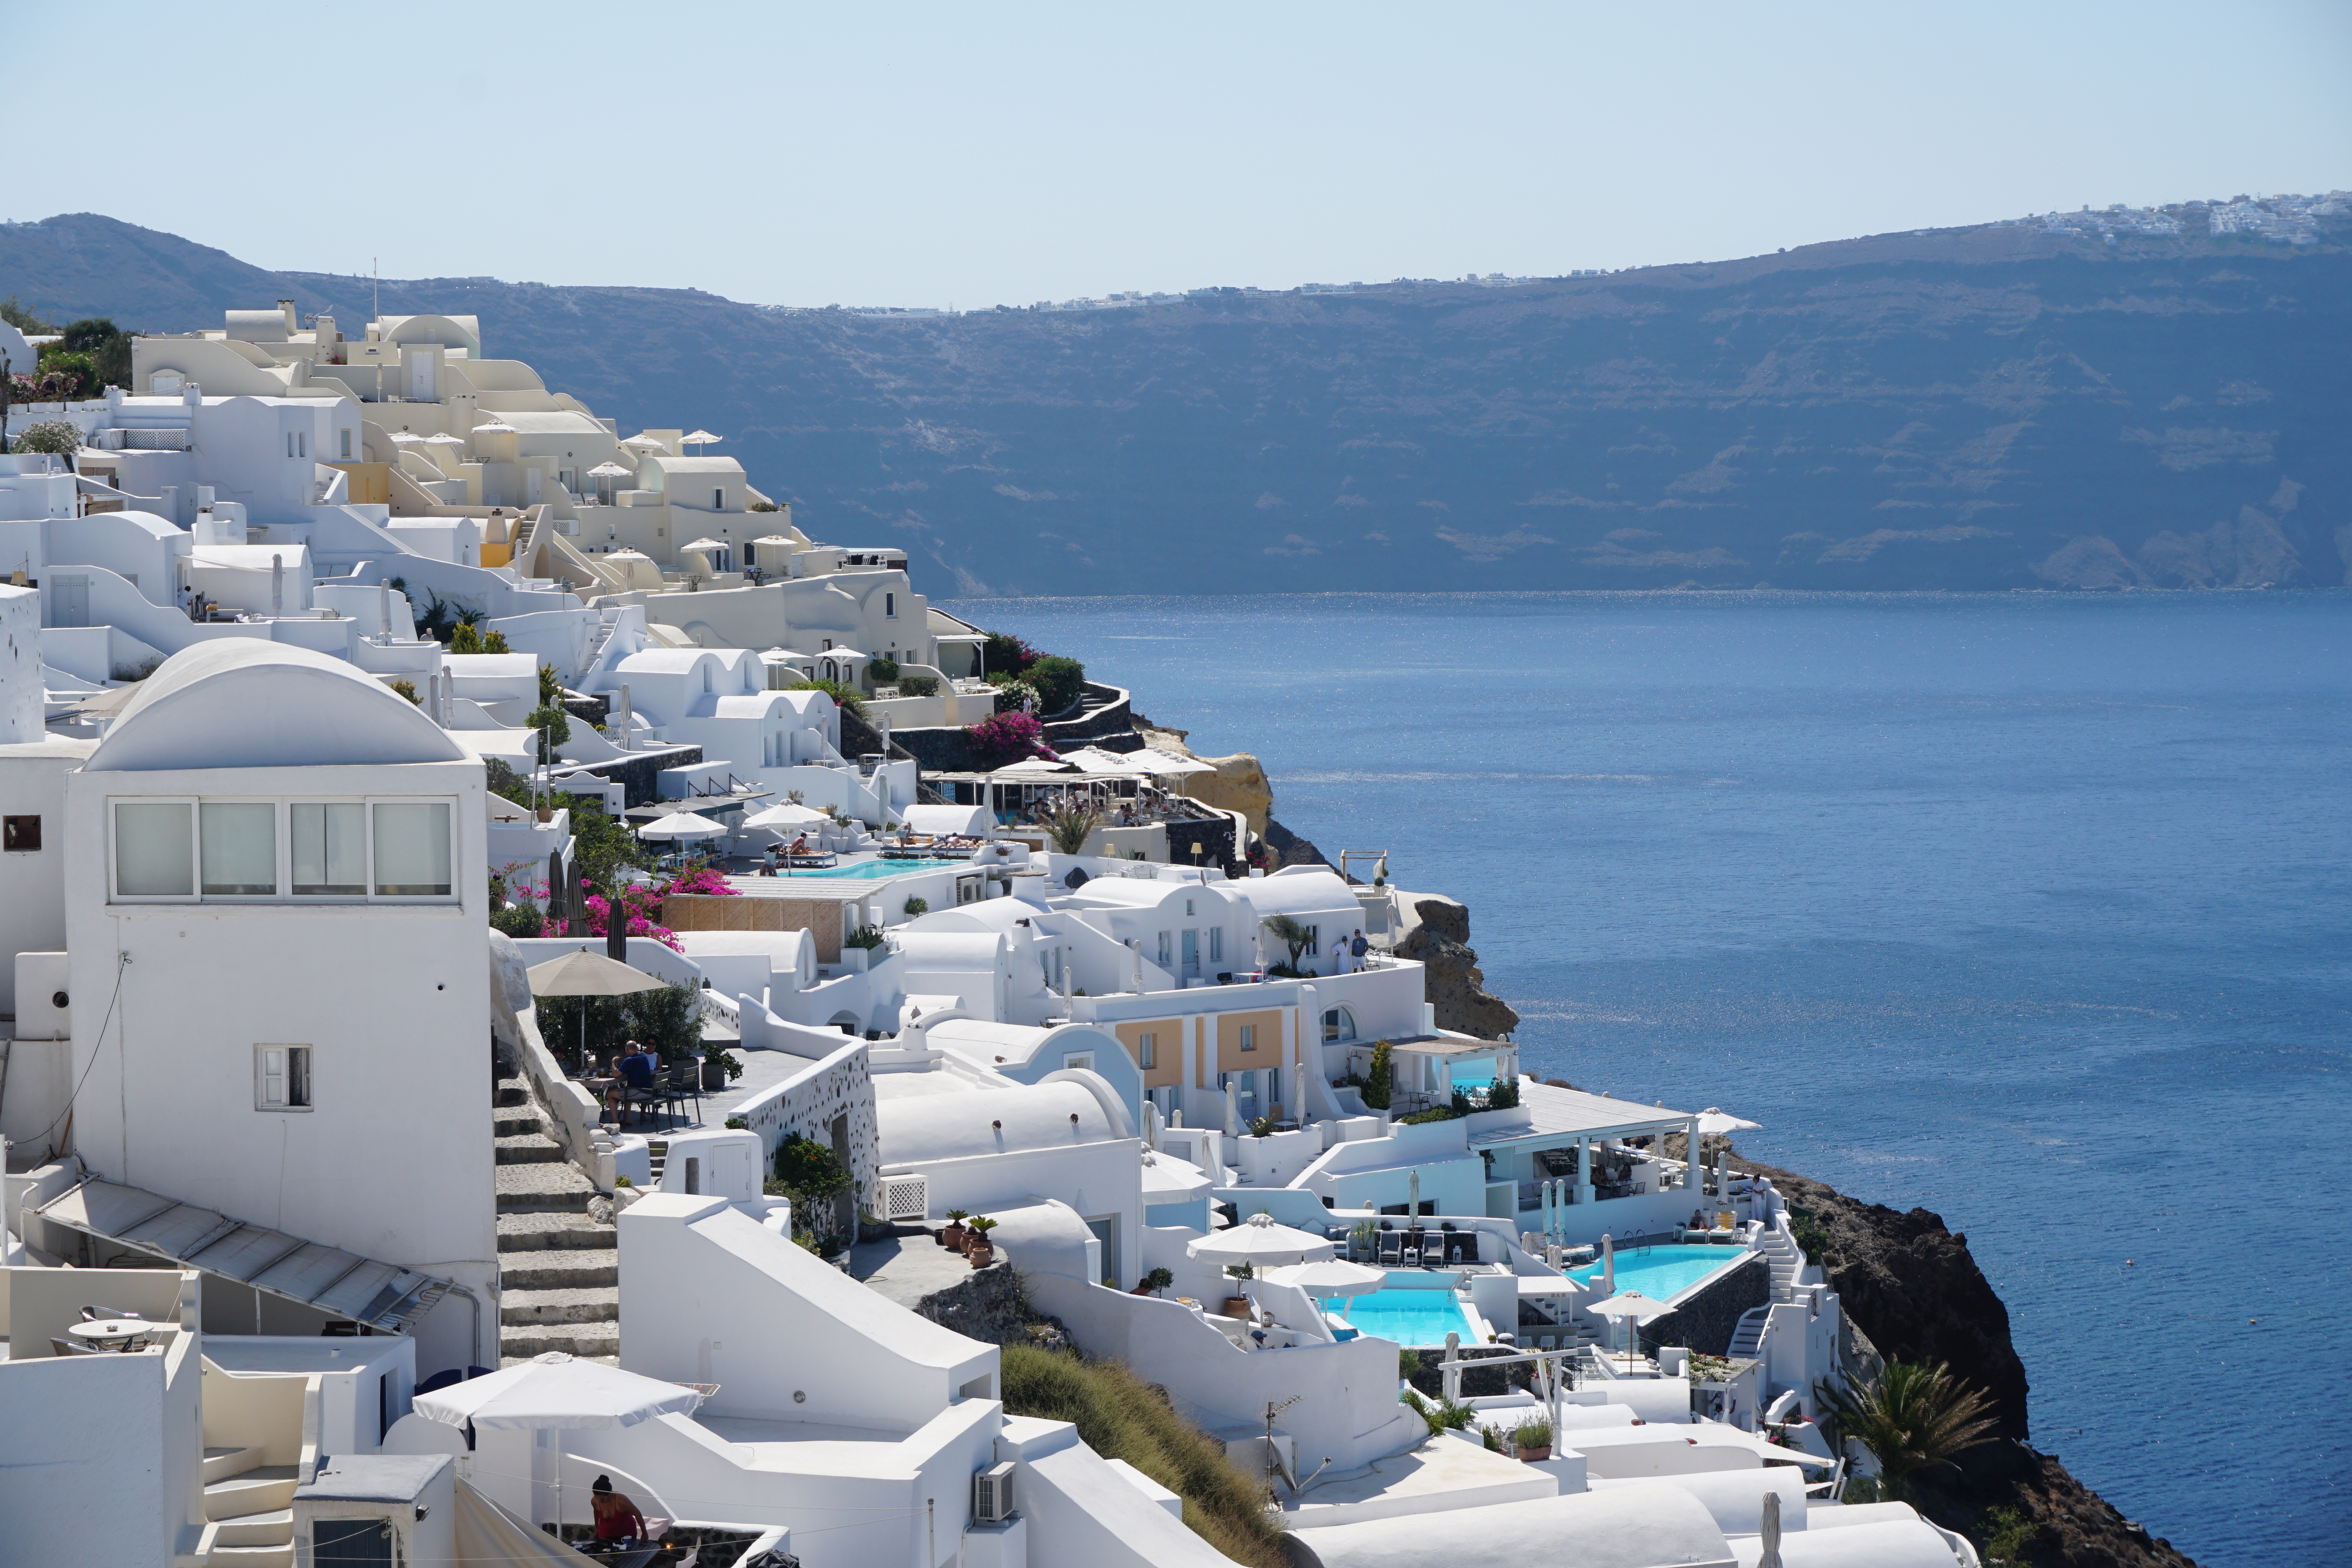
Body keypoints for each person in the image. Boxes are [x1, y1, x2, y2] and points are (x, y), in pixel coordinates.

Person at [589, 1475, 647, 1545]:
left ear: (609, 1494)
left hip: (625, 1534)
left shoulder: (621, 1501)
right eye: (597, 1498)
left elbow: (638, 1514)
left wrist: (644, 1533)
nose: (600, 1501)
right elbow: (596, 1512)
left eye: (602, 1499)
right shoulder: (594, 1501)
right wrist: (596, 1527)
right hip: (606, 1533)